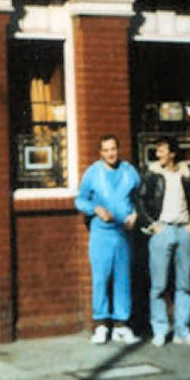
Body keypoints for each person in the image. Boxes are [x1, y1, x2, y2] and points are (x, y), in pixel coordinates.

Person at [137, 135, 190, 347]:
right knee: (158, 285)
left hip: (184, 230)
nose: (158, 154)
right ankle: (160, 330)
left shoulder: (187, 173)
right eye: (157, 151)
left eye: (162, 150)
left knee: (185, 284)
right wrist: (153, 224)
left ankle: (182, 331)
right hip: (162, 230)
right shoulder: (152, 174)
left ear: (172, 154)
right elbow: (140, 200)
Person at [75, 134, 141, 344]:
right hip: (101, 233)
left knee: (123, 278)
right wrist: (95, 209)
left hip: (123, 233)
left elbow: (141, 198)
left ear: (118, 149)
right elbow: (80, 199)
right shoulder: (93, 173)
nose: (110, 153)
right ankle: (101, 325)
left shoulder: (129, 172)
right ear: (100, 153)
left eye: (113, 149)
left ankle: (121, 325)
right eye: (106, 150)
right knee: (101, 278)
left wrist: (136, 214)